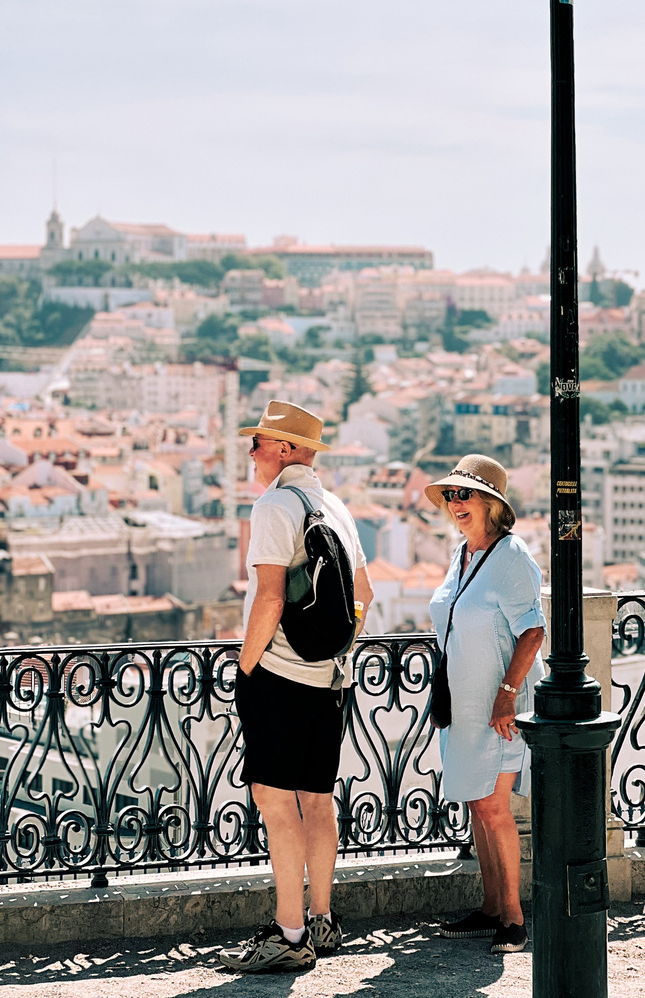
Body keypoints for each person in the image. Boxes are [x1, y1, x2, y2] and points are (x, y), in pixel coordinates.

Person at [220, 400, 374, 974]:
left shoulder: (275, 506)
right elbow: (366, 595)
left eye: (258, 441)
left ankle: (288, 935)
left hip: (281, 677)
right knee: (317, 798)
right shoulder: (335, 506)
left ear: (284, 449)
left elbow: (268, 597)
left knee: (274, 800)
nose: (252, 451)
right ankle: (322, 921)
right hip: (331, 679)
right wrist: (334, 650)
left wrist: (246, 665)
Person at [425, 454, 546, 956]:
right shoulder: (464, 555)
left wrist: (507, 694)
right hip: (464, 700)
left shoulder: (512, 556)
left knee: (495, 809)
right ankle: (491, 908)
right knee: (477, 802)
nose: (455, 503)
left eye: (465, 494)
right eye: (451, 495)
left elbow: (533, 630)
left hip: (498, 706)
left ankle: (514, 921)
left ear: (493, 504)